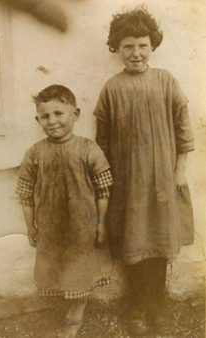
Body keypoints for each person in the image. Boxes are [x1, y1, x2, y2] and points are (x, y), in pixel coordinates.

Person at [93, 6, 194, 335]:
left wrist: (179, 170)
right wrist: (109, 182)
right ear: (116, 49)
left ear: (152, 46)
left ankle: (156, 307)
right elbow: (103, 140)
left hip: (163, 180)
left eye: (142, 45)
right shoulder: (112, 88)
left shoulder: (165, 81)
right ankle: (136, 310)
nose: (135, 53)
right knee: (133, 244)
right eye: (127, 46)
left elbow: (183, 130)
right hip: (128, 183)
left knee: (160, 244)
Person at [16, 84, 113, 338]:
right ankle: (64, 309)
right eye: (45, 116)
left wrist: (101, 223)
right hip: (50, 225)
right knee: (55, 267)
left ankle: (74, 318)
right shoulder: (35, 153)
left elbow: (104, 190)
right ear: (38, 119)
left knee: (80, 268)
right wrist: (30, 226)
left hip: (83, 224)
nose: (52, 121)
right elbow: (25, 194)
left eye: (59, 113)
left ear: (75, 114)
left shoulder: (88, 148)